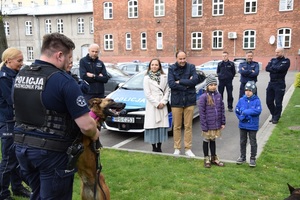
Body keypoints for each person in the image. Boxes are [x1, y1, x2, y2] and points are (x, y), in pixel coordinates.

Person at [13, 33, 100, 200]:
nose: (70, 62)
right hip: (52, 154)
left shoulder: (21, 75)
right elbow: (86, 126)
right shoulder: (63, 81)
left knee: (37, 195)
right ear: (59, 55)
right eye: (69, 57)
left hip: (22, 149)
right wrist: (95, 133)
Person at [0, 48, 31, 200]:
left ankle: (17, 187)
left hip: (16, 121)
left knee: (17, 158)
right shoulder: (4, 78)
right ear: (8, 61)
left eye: (22, 60)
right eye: (19, 61)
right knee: (8, 160)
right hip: (7, 123)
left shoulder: (15, 75)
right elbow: (13, 100)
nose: (22, 63)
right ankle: (3, 193)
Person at [168, 51, 198, 157]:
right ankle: (177, 148)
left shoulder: (191, 67)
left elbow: (195, 81)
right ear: (176, 58)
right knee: (176, 126)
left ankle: (188, 148)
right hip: (176, 101)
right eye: (180, 59)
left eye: (184, 58)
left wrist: (180, 81)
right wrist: (186, 83)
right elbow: (171, 84)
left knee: (188, 126)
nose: (182, 61)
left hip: (189, 100)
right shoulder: (171, 68)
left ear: (186, 58)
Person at [198, 74, 226, 168]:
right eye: (211, 85)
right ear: (207, 86)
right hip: (207, 125)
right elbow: (202, 113)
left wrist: (222, 122)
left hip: (216, 124)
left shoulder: (219, 95)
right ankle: (206, 158)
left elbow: (221, 109)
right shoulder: (203, 97)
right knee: (206, 140)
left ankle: (214, 157)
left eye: (215, 84)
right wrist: (204, 126)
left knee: (213, 140)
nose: (213, 86)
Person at [143, 58, 170, 152]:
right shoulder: (146, 78)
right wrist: (157, 104)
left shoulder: (164, 77)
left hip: (162, 103)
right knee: (152, 125)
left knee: (161, 126)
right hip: (152, 105)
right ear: (150, 66)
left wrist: (163, 102)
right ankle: (154, 148)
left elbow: (167, 90)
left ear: (159, 66)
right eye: (152, 65)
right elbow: (147, 94)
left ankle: (159, 147)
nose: (154, 66)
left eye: (156, 65)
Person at [235, 81, 262, 167]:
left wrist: (246, 112)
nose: (248, 92)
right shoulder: (241, 100)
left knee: (253, 141)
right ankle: (242, 156)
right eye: (246, 90)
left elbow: (257, 110)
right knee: (243, 141)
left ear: (253, 91)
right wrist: (241, 117)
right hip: (243, 124)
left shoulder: (257, 101)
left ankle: (252, 158)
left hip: (252, 125)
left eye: (250, 90)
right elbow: (237, 110)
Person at [266, 47, 290, 124]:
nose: (276, 54)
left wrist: (273, 68)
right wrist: (275, 68)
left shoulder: (286, 61)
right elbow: (267, 68)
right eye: (276, 52)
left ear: (282, 53)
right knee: (269, 101)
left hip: (280, 83)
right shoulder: (273, 60)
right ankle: (273, 114)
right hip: (271, 83)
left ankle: (276, 117)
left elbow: (281, 69)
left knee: (278, 102)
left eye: (278, 52)